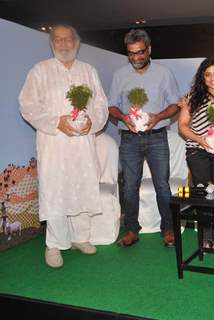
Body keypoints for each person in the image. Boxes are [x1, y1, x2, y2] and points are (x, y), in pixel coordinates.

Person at [19, 24, 108, 268]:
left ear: (76, 43)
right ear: (52, 43)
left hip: (83, 144)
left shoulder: (88, 71)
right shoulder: (40, 71)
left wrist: (94, 121)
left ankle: (81, 237)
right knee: (56, 190)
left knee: (81, 185)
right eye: (58, 40)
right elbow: (27, 105)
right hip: (54, 144)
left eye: (68, 39)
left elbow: (100, 104)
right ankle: (55, 244)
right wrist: (56, 122)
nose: (64, 44)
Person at [108, 29, 180, 247]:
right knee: (129, 187)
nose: (136, 58)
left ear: (149, 49)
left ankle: (168, 229)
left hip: (157, 137)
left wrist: (157, 116)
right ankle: (131, 230)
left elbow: (175, 104)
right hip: (129, 139)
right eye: (131, 54)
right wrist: (124, 117)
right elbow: (111, 106)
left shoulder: (164, 73)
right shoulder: (120, 75)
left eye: (140, 52)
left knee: (162, 186)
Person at [178, 57, 214, 250]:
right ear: (202, 77)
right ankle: (205, 238)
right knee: (203, 193)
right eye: (208, 74)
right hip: (198, 151)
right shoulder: (192, 97)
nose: (213, 78)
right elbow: (182, 126)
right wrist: (201, 140)